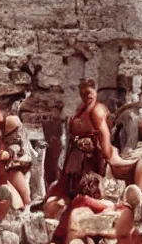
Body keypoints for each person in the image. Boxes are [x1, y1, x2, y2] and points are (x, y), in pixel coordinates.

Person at [47, 79, 113, 212]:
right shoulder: (81, 109)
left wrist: (107, 155)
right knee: (73, 186)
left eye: (88, 92)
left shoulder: (98, 110)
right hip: (76, 156)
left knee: (89, 185)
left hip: (91, 158)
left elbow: (104, 135)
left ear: (95, 91)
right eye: (82, 93)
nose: (85, 95)